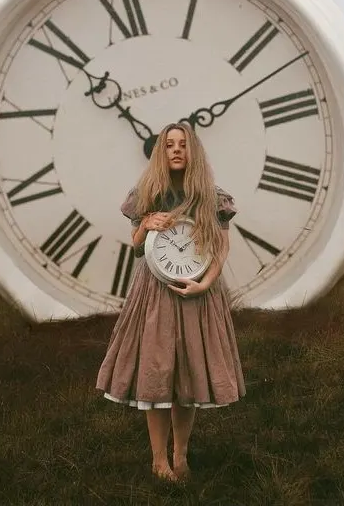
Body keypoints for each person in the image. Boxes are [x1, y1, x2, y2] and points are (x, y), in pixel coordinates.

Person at [95, 121, 246, 482]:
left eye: (183, 144)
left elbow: (221, 248)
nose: (176, 150)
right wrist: (146, 223)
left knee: (189, 377)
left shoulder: (212, 196)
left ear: (193, 151)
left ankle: (181, 455)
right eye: (169, 145)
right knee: (157, 373)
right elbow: (135, 247)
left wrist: (204, 285)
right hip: (154, 293)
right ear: (161, 152)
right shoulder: (148, 193)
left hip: (197, 294)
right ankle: (158, 460)